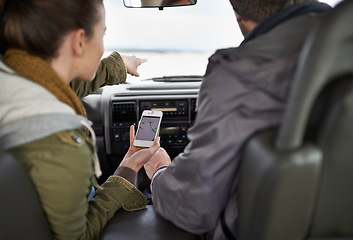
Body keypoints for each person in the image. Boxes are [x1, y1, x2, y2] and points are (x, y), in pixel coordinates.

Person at [144, 0, 332, 239]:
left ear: (239, 15)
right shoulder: (343, 48)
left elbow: (192, 207)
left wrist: (159, 170)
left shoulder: (235, 74)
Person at [0, 0, 159, 239]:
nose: (103, 45)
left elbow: (61, 85)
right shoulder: (61, 141)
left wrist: (119, 64)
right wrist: (129, 168)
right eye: (102, 34)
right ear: (79, 41)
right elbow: (79, 236)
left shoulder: (15, 80)